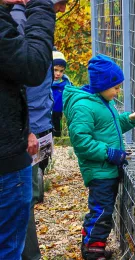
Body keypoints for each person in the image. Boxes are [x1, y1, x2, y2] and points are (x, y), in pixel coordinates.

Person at [63, 54, 135, 260]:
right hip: (100, 170)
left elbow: (108, 127)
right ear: (102, 84)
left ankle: (90, 245)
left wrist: (128, 119)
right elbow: (82, 142)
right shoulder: (84, 106)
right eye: (116, 88)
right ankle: (93, 252)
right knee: (101, 212)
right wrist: (109, 153)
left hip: (107, 168)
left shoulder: (101, 100)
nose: (118, 92)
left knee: (101, 210)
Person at [10, 1, 68, 259]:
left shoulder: (30, 21)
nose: (63, 9)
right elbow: (25, 82)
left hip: (34, 129)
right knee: (23, 201)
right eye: (60, 3)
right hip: (24, 134)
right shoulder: (21, 23)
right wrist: (28, 130)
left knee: (28, 196)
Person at [0, 0, 56, 258]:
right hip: (8, 158)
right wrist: (40, 6)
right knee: (10, 245)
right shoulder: (18, 20)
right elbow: (31, 67)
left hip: (18, 138)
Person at [52, 49, 71, 137]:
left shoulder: (66, 83)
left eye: (61, 71)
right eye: (55, 70)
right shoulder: (43, 83)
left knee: (55, 134)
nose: (58, 73)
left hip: (58, 113)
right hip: (45, 114)